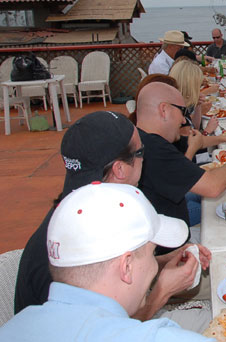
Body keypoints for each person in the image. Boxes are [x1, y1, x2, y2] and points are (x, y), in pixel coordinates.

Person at [3, 182, 226, 342]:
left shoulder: (15, 327)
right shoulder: (157, 337)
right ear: (126, 267)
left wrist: (160, 289)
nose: (155, 262)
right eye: (150, 253)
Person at [14, 111, 210, 322]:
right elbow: (113, 330)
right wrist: (161, 293)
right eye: (141, 151)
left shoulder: (78, 215)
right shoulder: (73, 250)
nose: (145, 159)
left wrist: (162, 261)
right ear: (120, 169)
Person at [135, 82, 226, 251]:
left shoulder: (145, 139)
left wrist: (223, 139)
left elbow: (196, 141)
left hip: (169, 229)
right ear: (164, 109)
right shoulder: (155, 150)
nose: (184, 119)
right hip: (170, 248)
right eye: (182, 111)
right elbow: (213, 187)